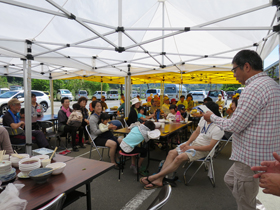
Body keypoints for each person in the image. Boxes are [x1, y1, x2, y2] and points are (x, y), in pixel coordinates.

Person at [203, 50, 280, 209]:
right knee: (230, 180)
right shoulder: (272, 84)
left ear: (246, 66)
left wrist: (211, 117)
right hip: (263, 154)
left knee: (243, 200)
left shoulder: (253, 89)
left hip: (249, 158)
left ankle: (251, 205)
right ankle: (254, 203)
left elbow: (233, 125)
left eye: (234, 69)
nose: (234, 74)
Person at [140, 102, 224, 190]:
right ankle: (159, 179)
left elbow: (210, 147)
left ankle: (154, 177)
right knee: (171, 152)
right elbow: (196, 132)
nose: (201, 114)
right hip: (193, 144)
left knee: (179, 158)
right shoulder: (204, 119)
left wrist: (190, 147)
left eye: (203, 112)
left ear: (211, 113)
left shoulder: (219, 127)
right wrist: (187, 144)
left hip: (203, 149)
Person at [89, 100, 122, 169]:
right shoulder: (92, 118)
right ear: (93, 108)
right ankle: (113, 162)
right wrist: (107, 128)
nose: (99, 107)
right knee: (113, 144)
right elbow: (95, 132)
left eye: (100, 106)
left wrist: (111, 127)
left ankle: (117, 156)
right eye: (97, 106)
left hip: (105, 135)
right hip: (97, 138)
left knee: (120, 140)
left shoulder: (102, 115)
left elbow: (106, 125)